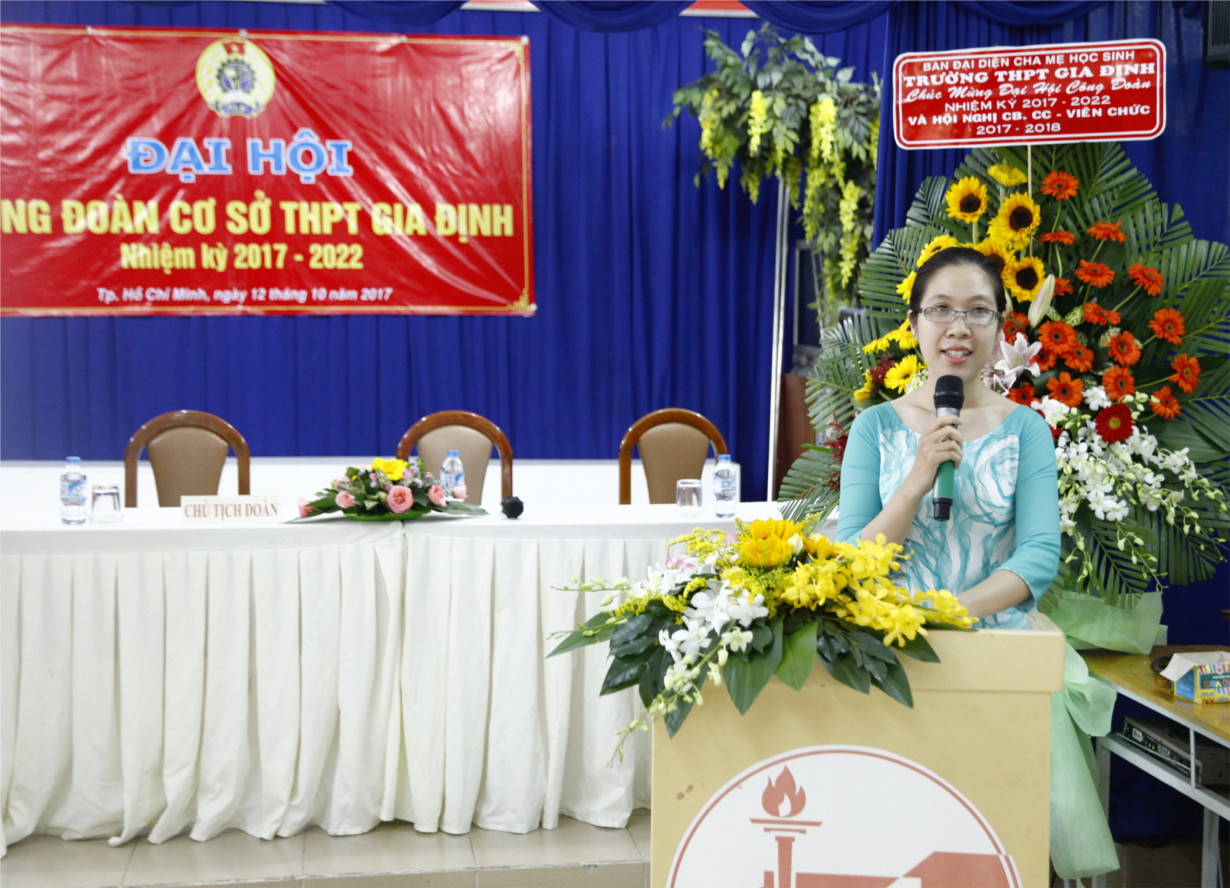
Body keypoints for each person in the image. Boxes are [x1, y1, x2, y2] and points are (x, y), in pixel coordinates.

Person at [834, 246, 1060, 629]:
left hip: (995, 642)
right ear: (914, 323)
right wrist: (915, 483)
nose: (959, 328)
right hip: (889, 639)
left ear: (1000, 327)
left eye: (978, 310)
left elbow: (1038, 555)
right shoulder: (874, 427)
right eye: (940, 309)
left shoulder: (1026, 430)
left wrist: (950, 613)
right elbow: (849, 560)